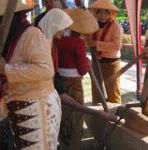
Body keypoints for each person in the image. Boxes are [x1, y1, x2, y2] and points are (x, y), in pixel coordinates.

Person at [0, 2, 72, 148]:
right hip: (20, 108)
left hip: (38, 109)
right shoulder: (13, 38)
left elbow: (45, 70)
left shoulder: (31, 34)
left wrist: (4, 69)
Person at [54, 8, 98, 150]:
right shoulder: (78, 42)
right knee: (76, 115)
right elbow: (83, 69)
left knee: (62, 116)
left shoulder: (58, 38)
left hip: (59, 81)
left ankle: (63, 143)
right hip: (74, 84)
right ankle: (73, 146)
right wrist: (88, 63)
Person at [89, 0, 123, 104]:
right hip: (97, 60)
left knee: (113, 90)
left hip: (111, 63)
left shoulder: (115, 26)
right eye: (99, 12)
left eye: (105, 12)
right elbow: (87, 39)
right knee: (96, 89)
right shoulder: (93, 25)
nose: (102, 15)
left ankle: (116, 114)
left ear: (110, 13)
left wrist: (96, 44)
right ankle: (97, 114)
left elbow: (117, 46)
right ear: (96, 13)